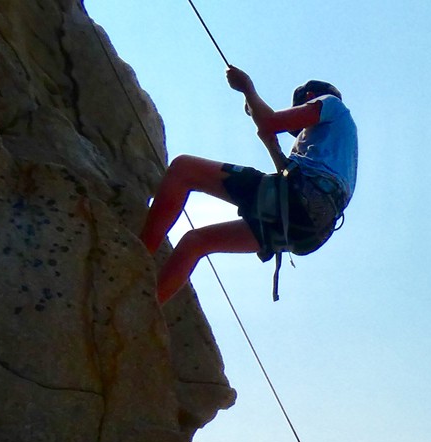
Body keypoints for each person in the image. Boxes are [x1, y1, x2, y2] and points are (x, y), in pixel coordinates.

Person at [140, 66, 358, 304]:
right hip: (309, 228)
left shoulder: (331, 104)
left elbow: (271, 122)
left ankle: (138, 253)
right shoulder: (333, 148)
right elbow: (280, 159)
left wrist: (247, 88)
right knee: (196, 242)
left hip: (300, 199)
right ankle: (145, 306)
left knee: (184, 169)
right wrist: (266, 133)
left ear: (309, 97)